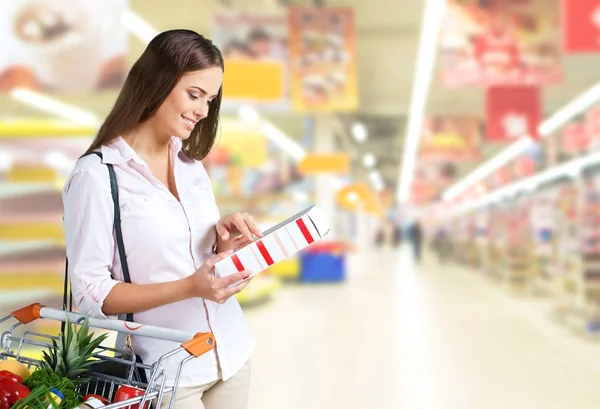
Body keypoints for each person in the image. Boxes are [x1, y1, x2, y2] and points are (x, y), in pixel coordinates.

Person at [62, 29, 261, 409]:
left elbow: (194, 257)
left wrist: (223, 246)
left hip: (231, 352)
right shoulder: (97, 175)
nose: (203, 110)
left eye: (210, 99)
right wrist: (190, 287)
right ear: (158, 83)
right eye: (194, 94)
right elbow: (91, 295)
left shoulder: (190, 166)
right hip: (165, 370)